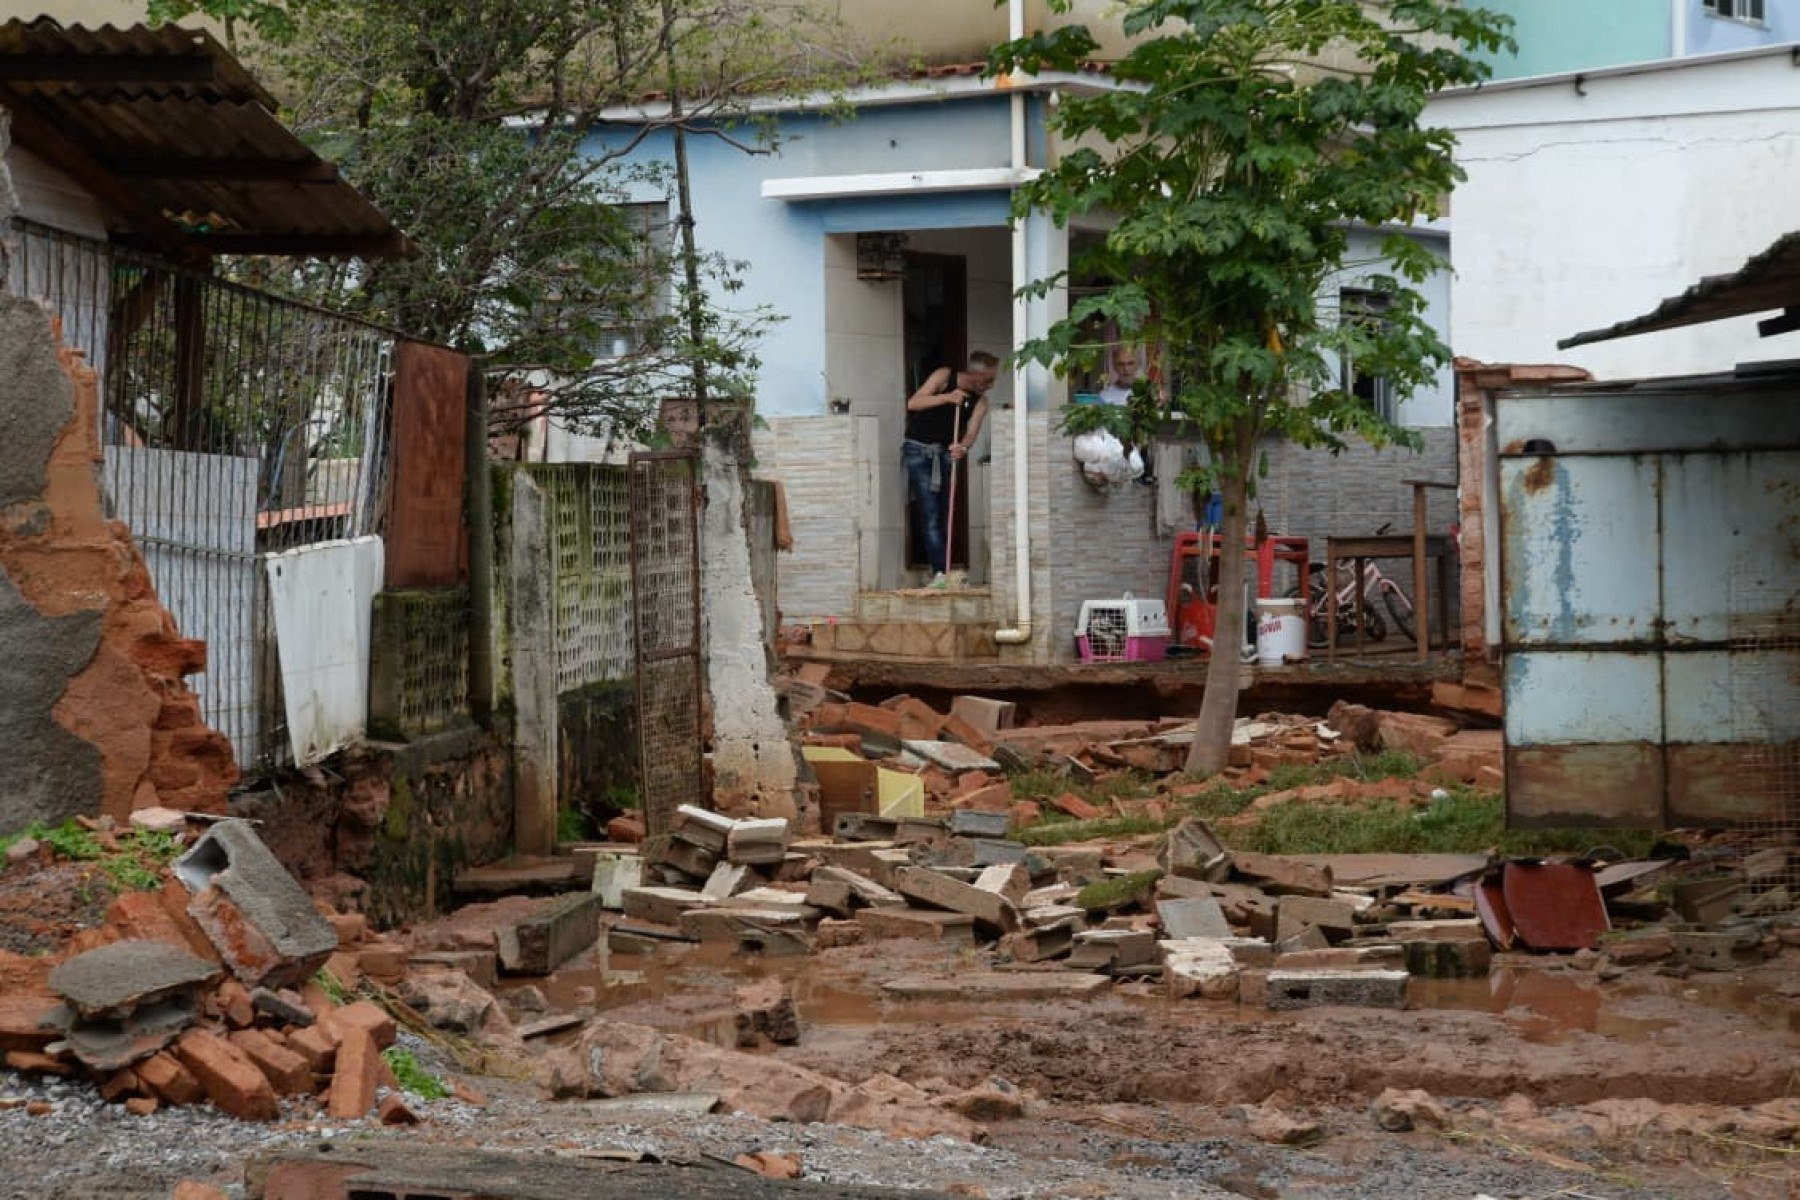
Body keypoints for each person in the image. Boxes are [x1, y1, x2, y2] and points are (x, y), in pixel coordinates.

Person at [903, 352, 996, 588]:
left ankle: (942, 570)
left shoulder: (981, 402)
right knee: (930, 511)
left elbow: (971, 433)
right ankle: (940, 573)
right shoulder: (945, 376)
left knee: (944, 511)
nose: (989, 386)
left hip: (946, 454)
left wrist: (962, 448)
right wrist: (946, 398)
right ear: (974, 374)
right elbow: (913, 403)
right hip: (919, 449)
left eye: (992, 381)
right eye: (987, 380)